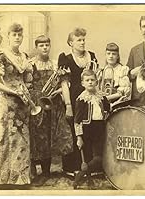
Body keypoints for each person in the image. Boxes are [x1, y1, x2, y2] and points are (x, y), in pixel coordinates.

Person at [0, 23, 33, 189]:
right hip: (6, 104)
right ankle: (0, 179)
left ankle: (20, 179)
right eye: (14, 35)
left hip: (22, 106)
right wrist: (13, 91)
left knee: (21, 141)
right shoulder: (2, 56)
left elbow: (27, 80)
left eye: (20, 35)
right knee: (4, 140)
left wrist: (26, 88)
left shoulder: (25, 57)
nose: (17, 38)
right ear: (8, 36)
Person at [28, 35, 73, 186]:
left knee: (50, 135)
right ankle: (37, 171)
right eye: (41, 45)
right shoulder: (31, 63)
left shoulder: (55, 64)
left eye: (47, 44)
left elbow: (65, 84)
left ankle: (47, 172)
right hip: (37, 104)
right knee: (38, 136)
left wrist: (57, 91)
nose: (45, 47)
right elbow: (27, 84)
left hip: (53, 104)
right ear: (36, 47)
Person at [58, 27, 98, 175]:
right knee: (73, 131)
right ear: (70, 43)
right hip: (73, 99)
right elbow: (64, 84)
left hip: (89, 99)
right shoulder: (65, 59)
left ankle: (88, 165)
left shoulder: (91, 56)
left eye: (83, 39)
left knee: (88, 129)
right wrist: (68, 105)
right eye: (78, 40)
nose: (82, 42)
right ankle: (71, 167)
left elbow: (95, 78)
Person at [73, 69, 110, 189]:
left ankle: (80, 175)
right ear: (82, 83)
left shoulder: (102, 96)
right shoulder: (81, 99)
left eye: (92, 80)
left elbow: (108, 111)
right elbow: (77, 120)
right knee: (88, 156)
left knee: (98, 157)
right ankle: (88, 178)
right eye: (87, 80)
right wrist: (79, 137)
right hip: (87, 130)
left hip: (99, 129)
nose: (90, 82)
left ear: (96, 82)